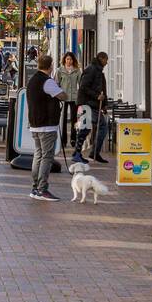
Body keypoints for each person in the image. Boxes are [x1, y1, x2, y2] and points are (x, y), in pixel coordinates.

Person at [26, 55, 67, 201]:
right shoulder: (47, 82)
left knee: (38, 155)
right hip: (47, 124)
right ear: (50, 66)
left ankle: (35, 187)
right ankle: (42, 189)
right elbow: (63, 96)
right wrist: (59, 89)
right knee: (47, 156)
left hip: (35, 123)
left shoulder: (32, 80)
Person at [75, 51, 110, 164]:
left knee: (86, 128)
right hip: (88, 103)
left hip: (92, 103)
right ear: (101, 58)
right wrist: (96, 96)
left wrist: (104, 104)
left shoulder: (98, 70)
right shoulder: (92, 69)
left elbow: (101, 88)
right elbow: (83, 87)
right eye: (106, 59)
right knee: (101, 126)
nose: (107, 62)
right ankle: (90, 152)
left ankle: (83, 153)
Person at [56, 52, 82, 148]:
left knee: (74, 120)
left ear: (73, 60)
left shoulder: (77, 71)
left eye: (70, 59)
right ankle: (63, 140)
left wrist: (79, 95)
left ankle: (73, 139)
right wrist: (58, 95)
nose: (69, 61)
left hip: (74, 98)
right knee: (62, 119)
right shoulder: (59, 70)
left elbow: (81, 83)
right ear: (64, 60)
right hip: (63, 97)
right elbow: (56, 83)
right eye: (67, 59)